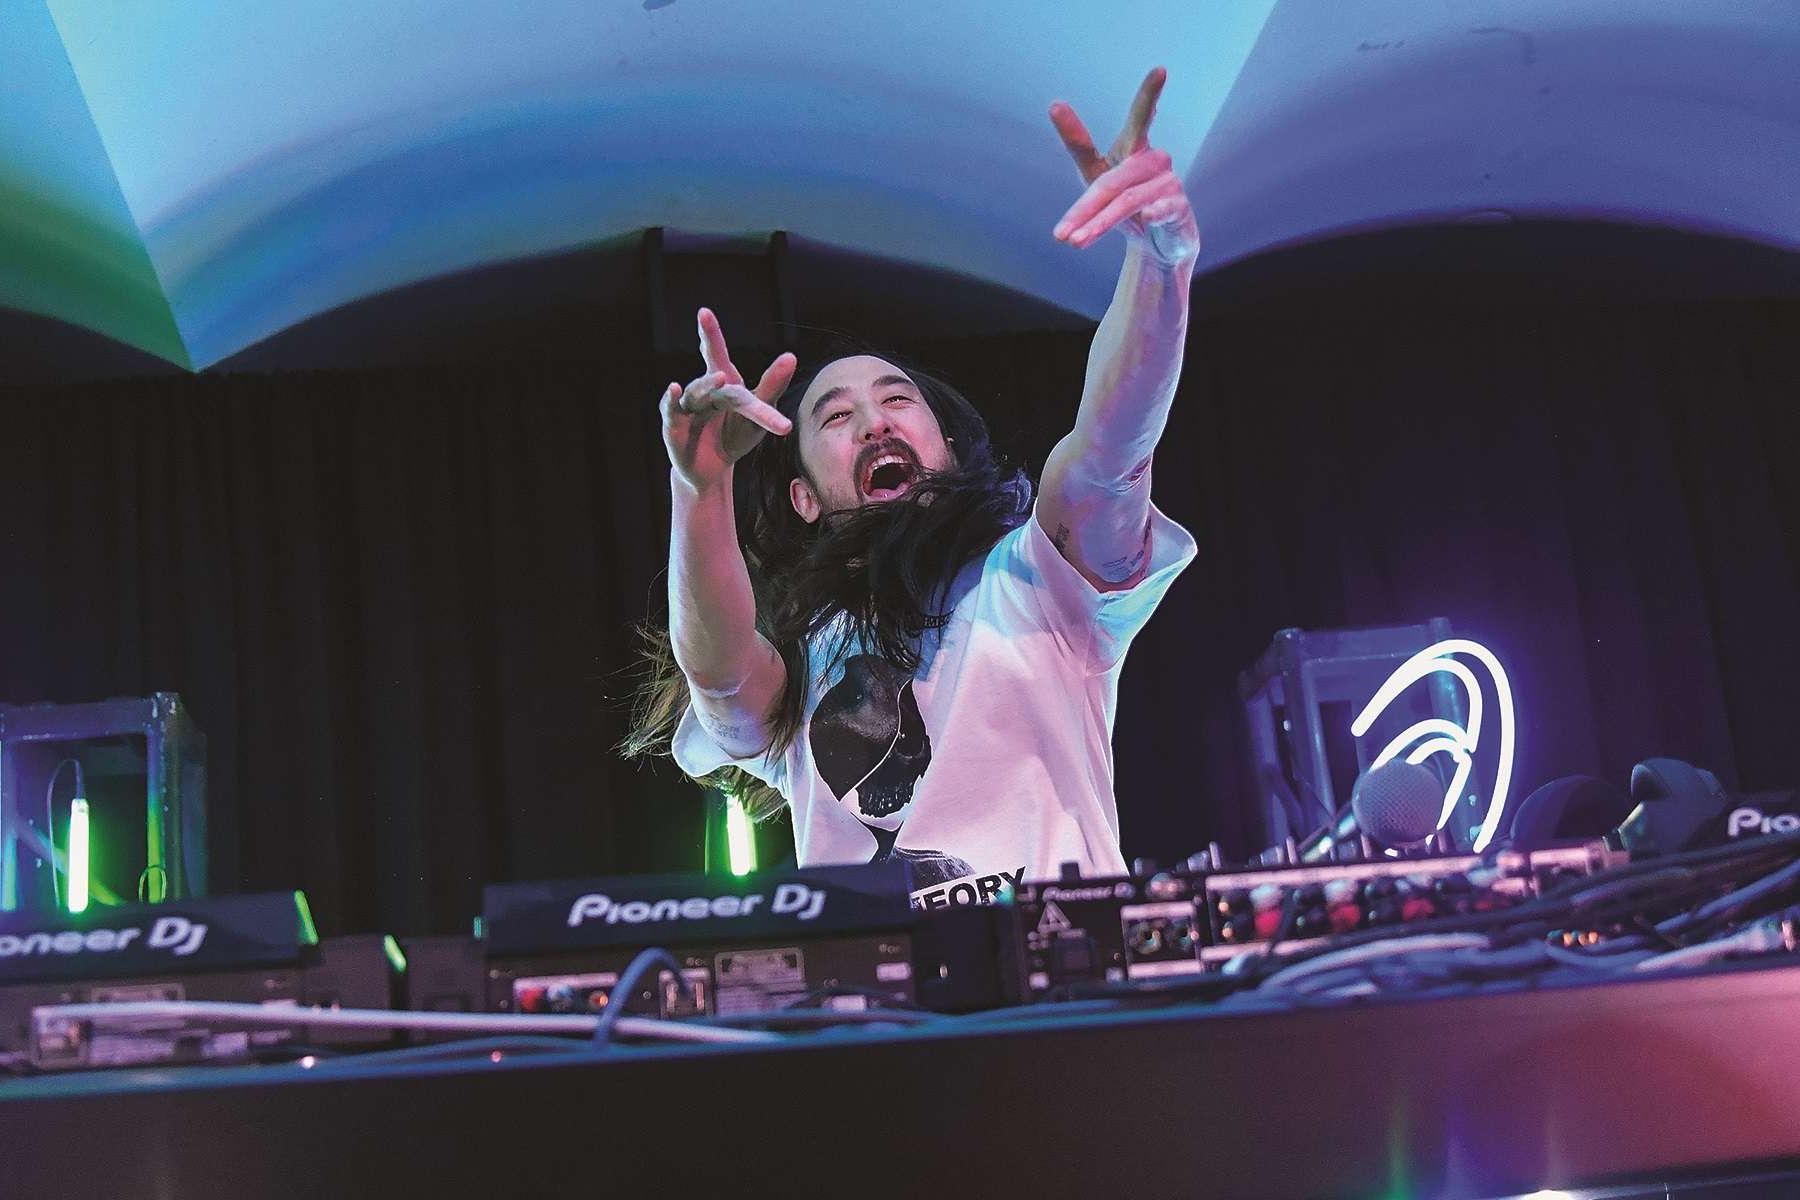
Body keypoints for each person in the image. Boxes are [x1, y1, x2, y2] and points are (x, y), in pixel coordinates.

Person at [625, 69, 1200, 908]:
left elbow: (1110, 448)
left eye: (898, 400)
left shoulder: (1036, 581)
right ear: (805, 498)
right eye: (836, 416)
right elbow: (720, 681)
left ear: (948, 450)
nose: (873, 422)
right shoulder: (800, 657)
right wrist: (700, 488)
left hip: (1061, 966)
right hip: (878, 984)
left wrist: (1160, 263)